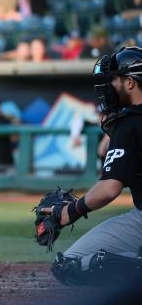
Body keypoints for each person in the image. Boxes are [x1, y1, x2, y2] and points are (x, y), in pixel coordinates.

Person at [48, 46, 142, 286]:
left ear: (130, 83)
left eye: (115, 79)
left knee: (70, 265)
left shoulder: (130, 123)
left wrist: (70, 211)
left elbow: (110, 188)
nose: (109, 85)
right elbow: (105, 150)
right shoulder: (127, 122)